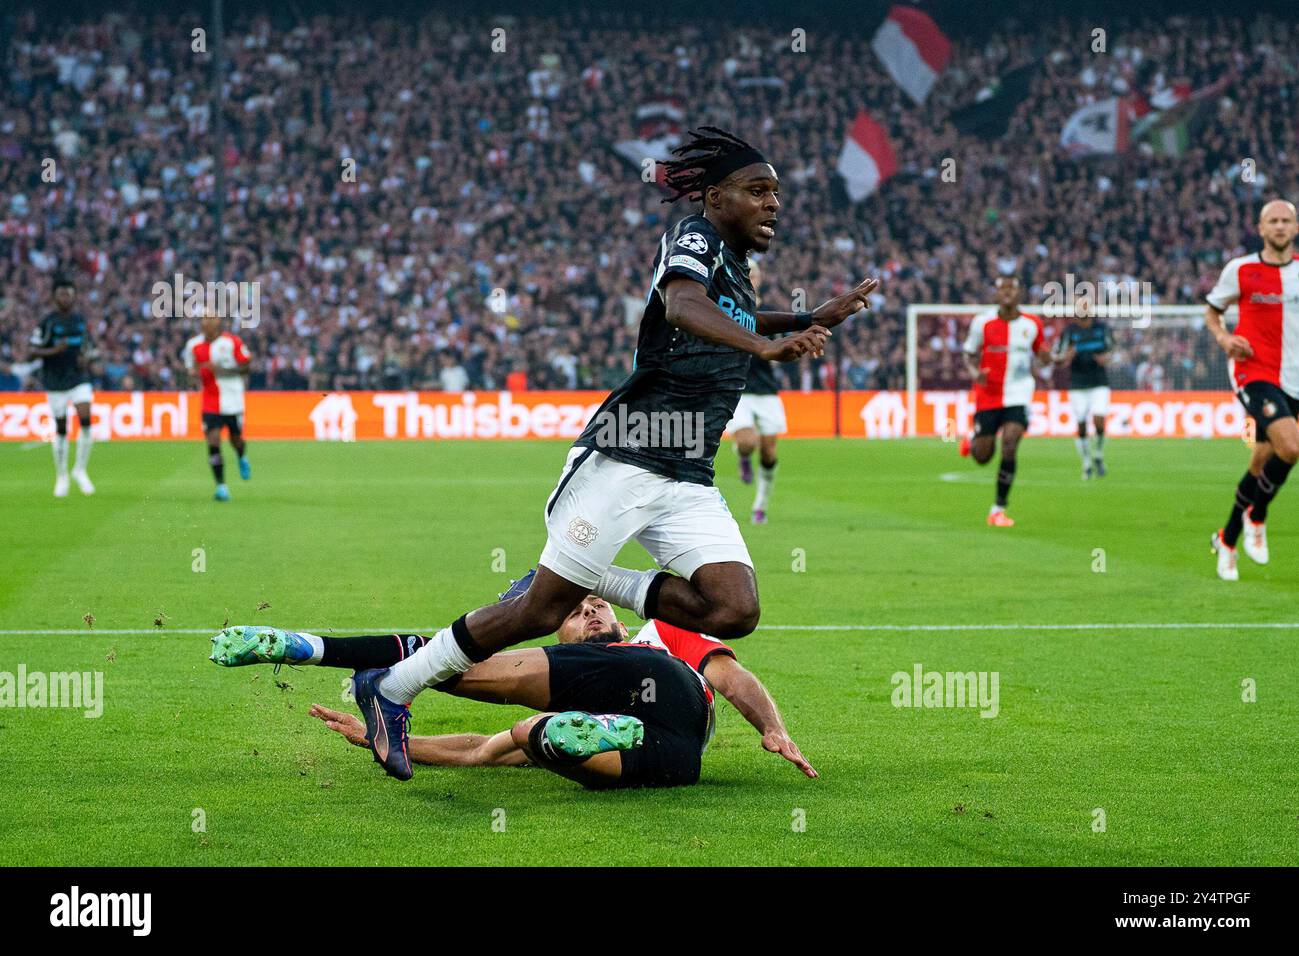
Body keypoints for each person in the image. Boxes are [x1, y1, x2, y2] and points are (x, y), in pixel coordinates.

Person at [326, 126, 877, 780]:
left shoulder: (734, 265)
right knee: (537, 611)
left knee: (735, 607)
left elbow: (735, 315)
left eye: (777, 194)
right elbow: (682, 303)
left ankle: (598, 577)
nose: (772, 204)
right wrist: (764, 349)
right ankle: (390, 689)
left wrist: (811, 316)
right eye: (758, 191)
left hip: (686, 471)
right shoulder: (695, 238)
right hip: (628, 452)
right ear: (717, 195)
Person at [209, 581, 816, 788]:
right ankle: (583, 733)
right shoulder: (567, 675)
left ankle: (317, 650)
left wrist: (773, 729)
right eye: (578, 612)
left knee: (459, 664)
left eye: (598, 606)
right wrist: (382, 744)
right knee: (530, 737)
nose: (593, 612)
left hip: (674, 697)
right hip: (672, 756)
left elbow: (731, 677)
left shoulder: (657, 636)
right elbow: (477, 750)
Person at [1206, 199, 1299, 581]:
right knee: (1291, 447)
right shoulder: (1241, 270)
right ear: (1260, 228)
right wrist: (1224, 339)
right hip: (1254, 372)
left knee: (1262, 461)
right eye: (1272, 221)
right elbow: (1212, 311)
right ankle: (1257, 518)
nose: (1279, 226)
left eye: (1286, 221)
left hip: (1294, 377)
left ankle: (1227, 539)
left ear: (1295, 228)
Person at [958, 275, 1051, 526]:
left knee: (1010, 444)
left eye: (1012, 288)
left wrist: (1047, 358)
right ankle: (973, 439)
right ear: (996, 294)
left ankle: (998, 509)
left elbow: (1042, 356)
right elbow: (968, 354)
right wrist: (975, 373)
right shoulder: (982, 322)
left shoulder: (1032, 323)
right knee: (982, 457)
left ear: (1020, 293)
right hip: (988, 395)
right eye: (1002, 289)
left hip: (1019, 393)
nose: (1008, 293)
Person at [727, 260, 787, 524]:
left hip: (766, 390)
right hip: (738, 389)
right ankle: (742, 455)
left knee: (769, 453)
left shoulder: (770, 314)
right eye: (747, 273)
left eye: (754, 274)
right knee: (748, 442)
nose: (751, 278)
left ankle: (760, 505)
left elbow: (783, 349)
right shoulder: (726, 310)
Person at [28, 274, 96, 497]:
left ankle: (80, 470)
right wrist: (53, 351)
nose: (66, 297)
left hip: (78, 378)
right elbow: (31, 351)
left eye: (69, 293)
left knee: (86, 419)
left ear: (74, 296)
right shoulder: (47, 322)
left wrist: (87, 358)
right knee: (61, 428)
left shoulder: (80, 320)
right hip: (55, 381)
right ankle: (62, 476)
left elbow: (90, 347)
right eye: (61, 293)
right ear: (54, 297)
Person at [182, 313, 253, 501]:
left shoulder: (232, 342)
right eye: (203, 319)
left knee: (236, 439)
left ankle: (241, 456)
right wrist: (192, 375)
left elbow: (247, 367)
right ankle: (221, 486)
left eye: (210, 319)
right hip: (209, 401)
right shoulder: (193, 345)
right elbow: (190, 372)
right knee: (213, 441)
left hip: (232, 400)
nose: (206, 322)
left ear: (218, 322)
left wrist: (222, 370)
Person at [1054, 298, 1114, 479]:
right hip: (1078, 384)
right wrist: (1067, 357)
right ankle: (1086, 461)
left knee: (1099, 421)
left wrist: (1107, 359)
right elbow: (1059, 356)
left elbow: (1112, 349)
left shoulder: (1101, 329)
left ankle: (1098, 454)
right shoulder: (1070, 332)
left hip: (1099, 382)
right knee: (1080, 424)